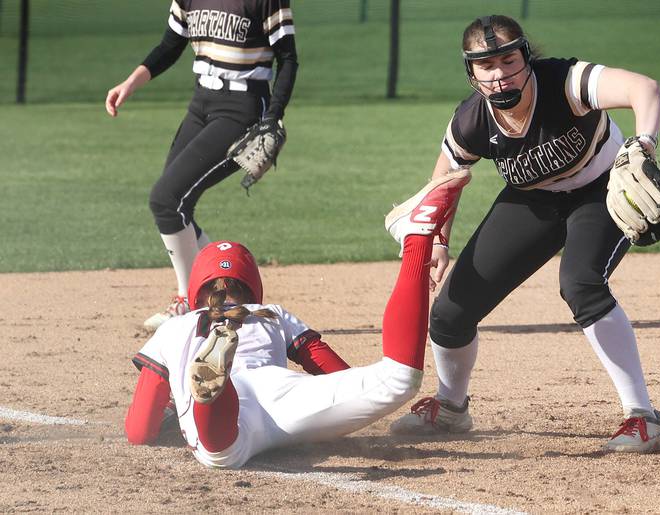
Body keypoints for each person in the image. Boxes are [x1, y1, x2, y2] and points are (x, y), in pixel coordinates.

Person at [389, 15, 660, 453]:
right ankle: (450, 407)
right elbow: (446, 177)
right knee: (449, 313)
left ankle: (643, 419)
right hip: (532, 200)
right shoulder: (473, 120)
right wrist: (440, 242)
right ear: (472, 73)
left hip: (600, 190)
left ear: (526, 57)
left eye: (508, 59)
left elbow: (644, 88)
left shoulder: (564, 81)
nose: (500, 74)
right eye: (486, 65)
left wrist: (643, 143)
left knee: (581, 283)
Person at [124, 169, 472, 469]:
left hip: (237, 411)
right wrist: (343, 405)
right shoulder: (270, 313)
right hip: (283, 393)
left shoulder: (175, 327)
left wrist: (168, 415)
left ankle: (215, 392)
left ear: (198, 291)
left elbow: (140, 429)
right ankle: (418, 237)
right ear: (252, 285)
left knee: (222, 452)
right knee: (397, 380)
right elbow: (335, 372)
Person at [105, 1, 299, 331]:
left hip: (243, 108)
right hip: (201, 104)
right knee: (176, 206)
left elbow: (288, 58)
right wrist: (130, 83)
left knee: (166, 200)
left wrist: (273, 116)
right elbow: (171, 44)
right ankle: (222, 290)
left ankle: (188, 301)